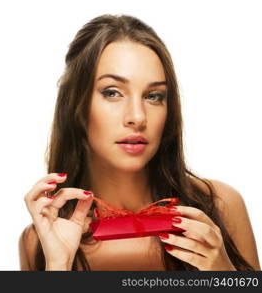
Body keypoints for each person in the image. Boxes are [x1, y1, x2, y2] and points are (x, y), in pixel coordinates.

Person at [19, 14, 260, 271]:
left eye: (154, 96)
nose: (137, 117)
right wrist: (58, 265)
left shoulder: (219, 206)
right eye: (112, 92)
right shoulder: (40, 239)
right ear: (74, 106)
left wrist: (223, 276)